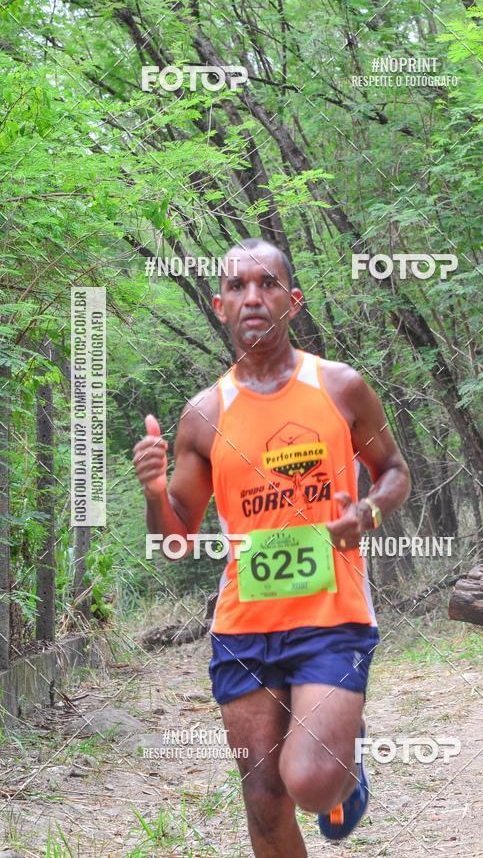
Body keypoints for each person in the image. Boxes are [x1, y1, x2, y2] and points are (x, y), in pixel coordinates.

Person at [133, 238, 410, 857]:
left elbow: (394, 470)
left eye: (267, 284)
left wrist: (366, 511)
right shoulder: (203, 415)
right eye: (237, 287)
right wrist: (154, 492)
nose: (252, 296)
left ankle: (343, 765)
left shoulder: (340, 388)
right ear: (220, 305)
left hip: (330, 614)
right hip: (244, 626)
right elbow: (176, 536)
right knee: (262, 800)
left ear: (292, 300)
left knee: (310, 782)